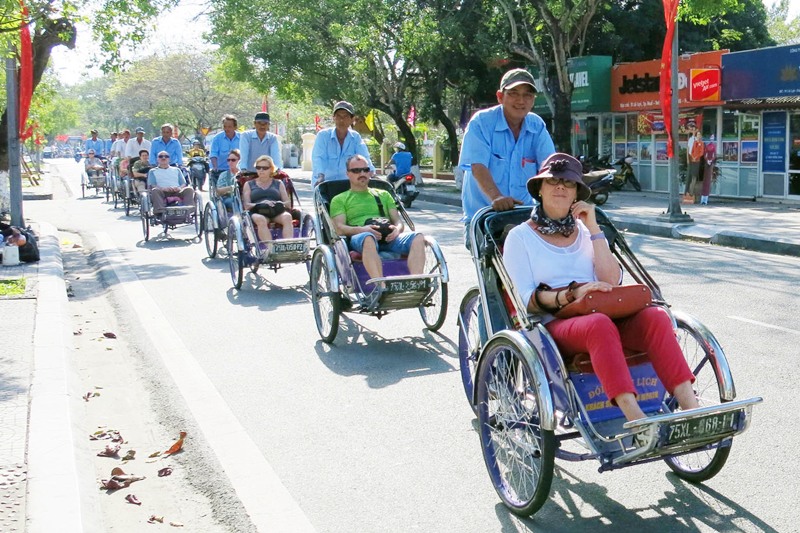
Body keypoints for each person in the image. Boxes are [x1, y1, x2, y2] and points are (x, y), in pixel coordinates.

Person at [502, 153, 699, 424]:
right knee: (598, 324)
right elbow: (526, 301)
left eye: (568, 184)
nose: (560, 187)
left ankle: (692, 410)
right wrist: (572, 294)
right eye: (553, 181)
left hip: (601, 312)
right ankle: (636, 419)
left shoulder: (586, 232)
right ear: (540, 189)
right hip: (554, 325)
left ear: (576, 194)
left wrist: (593, 228)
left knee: (655, 317)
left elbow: (611, 280)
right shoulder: (520, 237)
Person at [459, 68, 555, 229]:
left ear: (533, 100)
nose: (521, 101)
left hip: (524, 216)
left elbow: (549, 167)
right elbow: (477, 166)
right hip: (484, 216)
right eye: (513, 93)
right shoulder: (481, 122)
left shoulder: (537, 126)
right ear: (500, 97)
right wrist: (496, 198)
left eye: (527, 95)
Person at [330, 154, 425, 290]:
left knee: (418, 237)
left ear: (370, 172)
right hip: (360, 237)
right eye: (356, 171)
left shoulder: (384, 194)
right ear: (348, 174)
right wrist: (363, 230)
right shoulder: (339, 199)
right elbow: (339, 228)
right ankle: (381, 288)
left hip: (389, 238)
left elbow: (398, 222)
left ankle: (416, 284)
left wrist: (396, 230)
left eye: (365, 170)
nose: (362, 173)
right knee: (368, 238)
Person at [311, 101, 373, 187]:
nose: (341, 120)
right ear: (333, 118)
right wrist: (320, 176)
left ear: (352, 119)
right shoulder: (323, 136)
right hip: (325, 183)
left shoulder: (355, 137)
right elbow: (318, 158)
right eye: (338, 116)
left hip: (348, 185)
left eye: (345, 116)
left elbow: (364, 157)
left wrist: (372, 174)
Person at [242, 155, 293, 243]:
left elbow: (288, 203)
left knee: (287, 217)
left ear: (271, 169)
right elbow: (246, 205)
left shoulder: (278, 183)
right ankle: (270, 249)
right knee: (261, 220)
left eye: (264, 168)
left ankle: (287, 246)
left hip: (276, 211)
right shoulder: (249, 184)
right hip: (257, 211)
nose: (261, 170)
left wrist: (277, 203)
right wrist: (261, 203)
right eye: (258, 168)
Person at [146, 150, 196, 216]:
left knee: (189, 189)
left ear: (169, 159)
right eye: (161, 156)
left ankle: (189, 210)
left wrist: (179, 188)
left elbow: (183, 183)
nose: (163, 158)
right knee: (155, 190)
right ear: (157, 159)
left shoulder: (177, 170)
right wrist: (163, 189)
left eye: (166, 156)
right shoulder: (153, 171)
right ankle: (159, 211)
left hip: (177, 191)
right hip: (162, 192)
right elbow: (152, 184)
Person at [209, 114, 240, 187]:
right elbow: (213, 154)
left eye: (229, 127)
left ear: (235, 127)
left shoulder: (242, 138)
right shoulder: (217, 138)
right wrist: (215, 167)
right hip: (220, 170)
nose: (227, 129)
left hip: (237, 170)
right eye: (225, 127)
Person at [685, 131, 704, 200]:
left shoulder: (701, 143)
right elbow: (691, 150)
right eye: (697, 134)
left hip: (697, 161)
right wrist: (692, 157)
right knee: (691, 176)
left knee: (694, 176)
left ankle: (691, 192)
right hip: (692, 160)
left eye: (699, 134)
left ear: (701, 136)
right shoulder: (694, 142)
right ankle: (688, 192)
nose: (698, 136)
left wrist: (696, 157)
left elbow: (701, 152)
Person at [700, 135, 716, 205]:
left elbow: (714, 155)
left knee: (708, 181)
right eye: (711, 138)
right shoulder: (707, 146)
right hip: (707, 164)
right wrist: (707, 160)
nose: (711, 139)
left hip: (710, 164)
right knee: (705, 181)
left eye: (712, 138)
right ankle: (703, 199)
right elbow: (705, 155)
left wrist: (710, 161)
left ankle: (705, 199)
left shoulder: (714, 146)